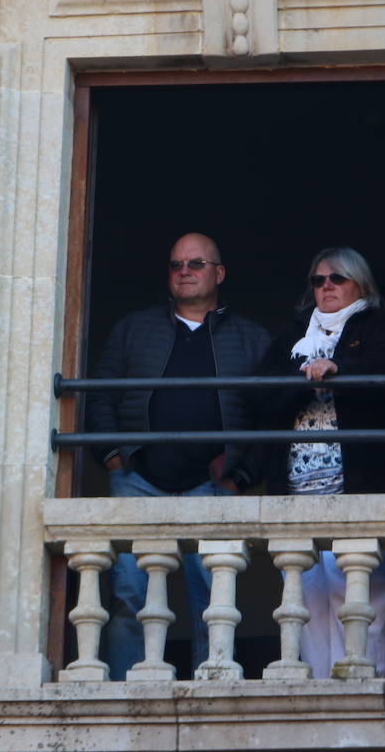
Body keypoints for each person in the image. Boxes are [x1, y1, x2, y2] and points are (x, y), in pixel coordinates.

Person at [85, 232, 271, 679]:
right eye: (176, 265)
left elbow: (271, 418)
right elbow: (99, 396)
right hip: (138, 481)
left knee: (212, 599)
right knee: (130, 594)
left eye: (196, 264)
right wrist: (114, 457)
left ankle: (213, 688)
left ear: (219, 274)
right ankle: (125, 688)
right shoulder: (135, 328)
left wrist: (239, 476)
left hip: (213, 487)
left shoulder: (251, 338)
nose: (184, 271)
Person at [253, 245, 385, 678]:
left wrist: (336, 369)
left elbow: (383, 372)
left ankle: (365, 684)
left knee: (359, 598)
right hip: (296, 491)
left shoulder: (380, 325)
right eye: (318, 280)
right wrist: (304, 380)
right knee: (305, 601)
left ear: (360, 284)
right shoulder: (293, 334)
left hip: (356, 485)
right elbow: (260, 395)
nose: (327, 287)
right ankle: (318, 685)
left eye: (337, 278)